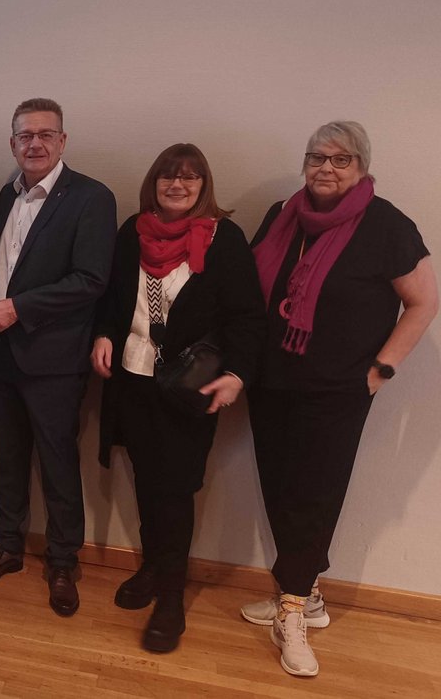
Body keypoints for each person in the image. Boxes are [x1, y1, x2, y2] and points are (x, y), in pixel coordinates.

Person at [243, 121, 437, 677]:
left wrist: (381, 370)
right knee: (280, 488)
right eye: (317, 157)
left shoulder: (386, 224)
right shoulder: (282, 215)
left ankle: (292, 610)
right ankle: (305, 594)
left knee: (315, 494)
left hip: (337, 388)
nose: (326, 168)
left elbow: (424, 302)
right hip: (271, 381)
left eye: (341, 159)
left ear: (361, 167)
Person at [92, 144, 265, 652]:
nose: (178, 185)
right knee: (147, 483)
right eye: (168, 176)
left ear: (203, 185)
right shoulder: (133, 231)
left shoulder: (224, 239)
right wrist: (103, 334)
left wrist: (238, 374)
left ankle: (171, 598)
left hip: (189, 387)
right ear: (154, 183)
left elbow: (247, 317)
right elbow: (112, 298)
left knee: (175, 490)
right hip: (133, 380)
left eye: (190, 177)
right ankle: (152, 567)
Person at [0, 98, 117, 617]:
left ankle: (63, 561)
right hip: (2, 354)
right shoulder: (5, 196)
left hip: (54, 359)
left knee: (57, 463)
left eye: (45, 134)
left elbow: (91, 279)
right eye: (25, 135)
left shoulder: (92, 197)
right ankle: (8, 546)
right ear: (12, 143)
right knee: (7, 457)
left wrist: (20, 308)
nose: (35, 144)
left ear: (62, 141)